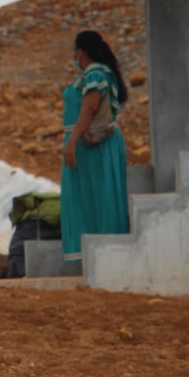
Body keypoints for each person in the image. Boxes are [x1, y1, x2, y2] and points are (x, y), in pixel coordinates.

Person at [60, 30, 129, 271]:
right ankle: (93, 260)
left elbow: (90, 108)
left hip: (93, 145)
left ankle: (107, 260)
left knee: (99, 196)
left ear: (80, 52)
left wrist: (72, 142)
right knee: (87, 197)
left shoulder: (96, 74)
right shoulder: (92, 74)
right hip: (86, 145)